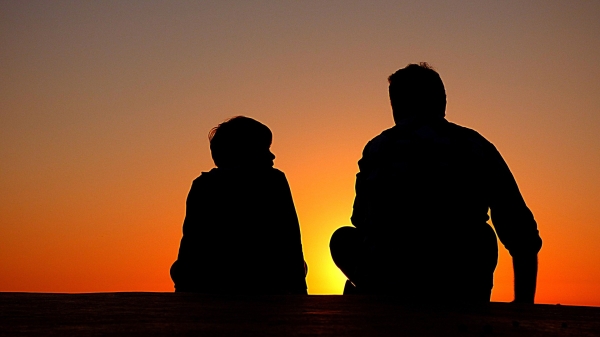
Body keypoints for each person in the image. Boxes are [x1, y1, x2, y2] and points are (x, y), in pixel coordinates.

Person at [330, 63, 542, 303]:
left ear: (396, 106)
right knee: (483, 235)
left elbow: (360, 219)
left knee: (343, 239)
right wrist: (524, 306)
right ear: (442, 101)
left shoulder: (378, 148)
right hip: (459, 282)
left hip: (389, 281)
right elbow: (520, 231)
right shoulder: (475, 146)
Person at [171, 116, 308, 294]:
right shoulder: (273, 181)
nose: (272, 155)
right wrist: (299, 293)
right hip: (264, 280)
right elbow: (291, 241)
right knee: (302, 266)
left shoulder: (203, 185)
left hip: (212, 280)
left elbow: (190, 243)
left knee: (177, 268)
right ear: (246, 151)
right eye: (264, 149)